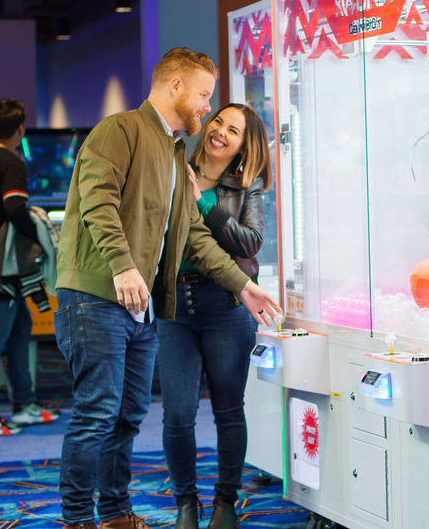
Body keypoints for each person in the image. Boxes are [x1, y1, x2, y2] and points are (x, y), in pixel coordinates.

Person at [54, 48, 282, 529]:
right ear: (175, 86)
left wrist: (243, 286)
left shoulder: (176, 153)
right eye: (203, 95)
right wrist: (121, 265)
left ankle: (115, 514)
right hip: (97, 295)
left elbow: (194, 237)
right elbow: (99, 201)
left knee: (127, 415)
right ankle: (76, 520)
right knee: (97, 412)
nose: (206, 108)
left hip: (141, 306)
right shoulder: (120, 131)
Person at [159, 103, 272, 529]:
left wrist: (203, 204)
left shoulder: (247, 185)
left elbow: (250, 243)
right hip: (174, 305)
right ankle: (186, 504)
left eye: (234, 130)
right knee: (176, 414)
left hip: (226, 305)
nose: (220, 131)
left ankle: (226, 502)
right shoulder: (174, 165)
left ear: (245, 145)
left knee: (228, 409)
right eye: (218, 122)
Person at [0, 98, 61, 435]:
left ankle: (25, 404)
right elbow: (14, 206)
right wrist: (35, 236)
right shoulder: (11, 162)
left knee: (20, 330)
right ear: (20, 129)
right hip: (1, 267)